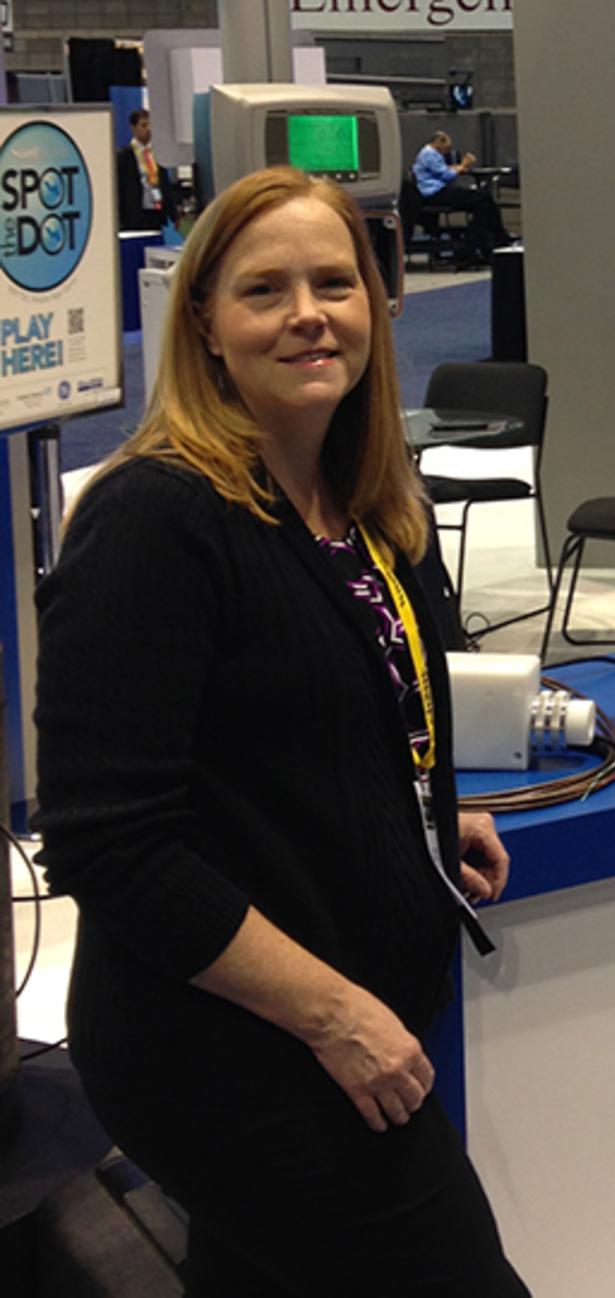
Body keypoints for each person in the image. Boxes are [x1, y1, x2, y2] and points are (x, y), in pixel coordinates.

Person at [35, 167, 530, 1297]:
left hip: (331, 1020)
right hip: (234, 1050)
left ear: (376, 303)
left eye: (335, 281)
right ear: (204, 324)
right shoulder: (156, 517)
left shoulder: (363, 504)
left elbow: (305, 728)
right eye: (265, 289)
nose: (309, 312)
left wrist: (411, 816)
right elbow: (111, 842)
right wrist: (337, 1012)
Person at [412, 130, 511, 266]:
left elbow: (444, 169)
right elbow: (448, 176)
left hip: (437, 192)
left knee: (483, 206)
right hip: (436, 193)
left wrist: (457, 167)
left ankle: (481, 242)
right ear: (438, 143)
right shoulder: (429, 154)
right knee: (484, 196)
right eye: (447, 147)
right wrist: (464, 165)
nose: (447, 151)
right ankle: (497, 238)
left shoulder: (428, 154)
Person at [116, 108, 180, 232]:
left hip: (157, 212)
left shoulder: (158, 153)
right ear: (133, 128)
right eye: (143, 125)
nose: (148, 129)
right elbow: (118, 188)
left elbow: (165, 185)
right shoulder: (124, 156)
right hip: (134, 215)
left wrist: (174, 215)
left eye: (150, 125)